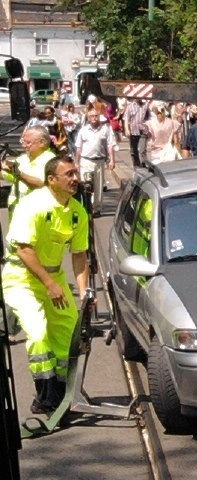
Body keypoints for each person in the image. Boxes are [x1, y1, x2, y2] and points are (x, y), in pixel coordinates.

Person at [2, 156, 89, 414]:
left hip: (53, 278)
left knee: (68, 336)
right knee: (39, 334)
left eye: (76, 173)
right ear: (52, 180)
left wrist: (84, 293)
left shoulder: (77, 212)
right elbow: (24, 249)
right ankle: (45, 399)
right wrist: (50, 284)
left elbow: (80, 255)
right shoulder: (33, 205)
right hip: (22, 279)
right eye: (69, 174)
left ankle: (62, 397)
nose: (75, 179)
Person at [1, 126, 56, 218]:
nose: (24, 145)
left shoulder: (51, 160)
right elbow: (6, 175)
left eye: (28, 142)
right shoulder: (23, 159)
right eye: (23, 142)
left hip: (38, 215)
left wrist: (18, 173)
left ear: (42, 142)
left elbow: (40, 184)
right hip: (18, 214)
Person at [74, 108, 117, 216]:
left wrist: (112, 160)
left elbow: (109, 145)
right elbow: (78, 148)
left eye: (96, 116)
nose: (94, 118)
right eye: (92, 116)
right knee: (86, 184)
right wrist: (77, 163)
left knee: (98, 186)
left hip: (99, 161)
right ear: (88, 118)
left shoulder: (105, 129)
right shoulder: (83, 130)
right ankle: (86, 206)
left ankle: (96, 209)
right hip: (86, 161)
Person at [123, 98, 150, 168]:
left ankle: (144, 165)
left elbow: (149, 117)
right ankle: (136, 165)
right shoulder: (130, 106)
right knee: (133, 150)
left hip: (143, 131)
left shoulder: (145, 105)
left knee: (142, 150)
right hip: (133, 131)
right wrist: (126, 129)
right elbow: (126, 118)